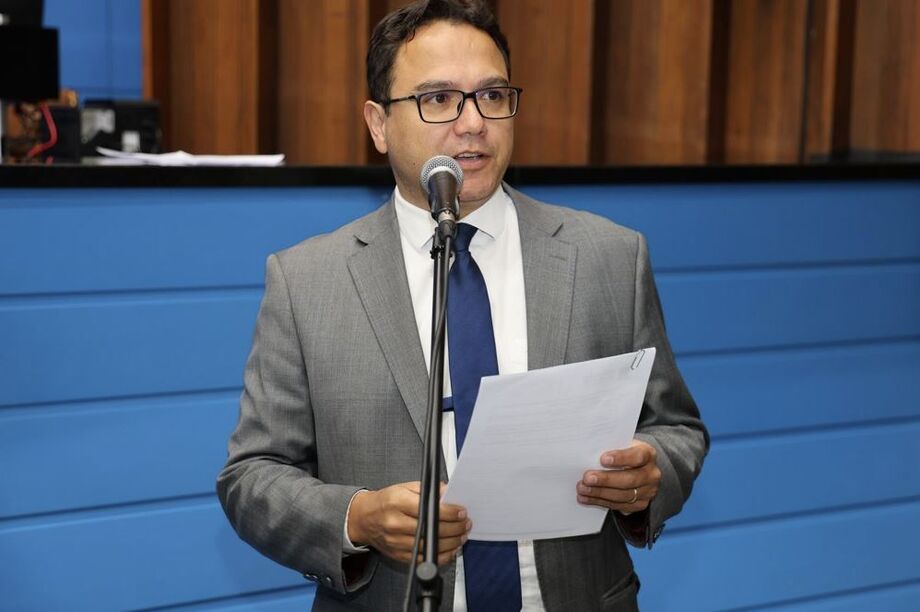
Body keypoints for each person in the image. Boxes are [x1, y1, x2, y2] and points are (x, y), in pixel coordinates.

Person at [217, 1, 708, 610]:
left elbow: (676, 430)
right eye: (439, 99)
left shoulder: (609, 256)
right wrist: (358, 518)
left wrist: (649, 473)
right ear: (377, 123)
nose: (472, 123)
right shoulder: (307, 281)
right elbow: (252, 477)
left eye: (492, 95)